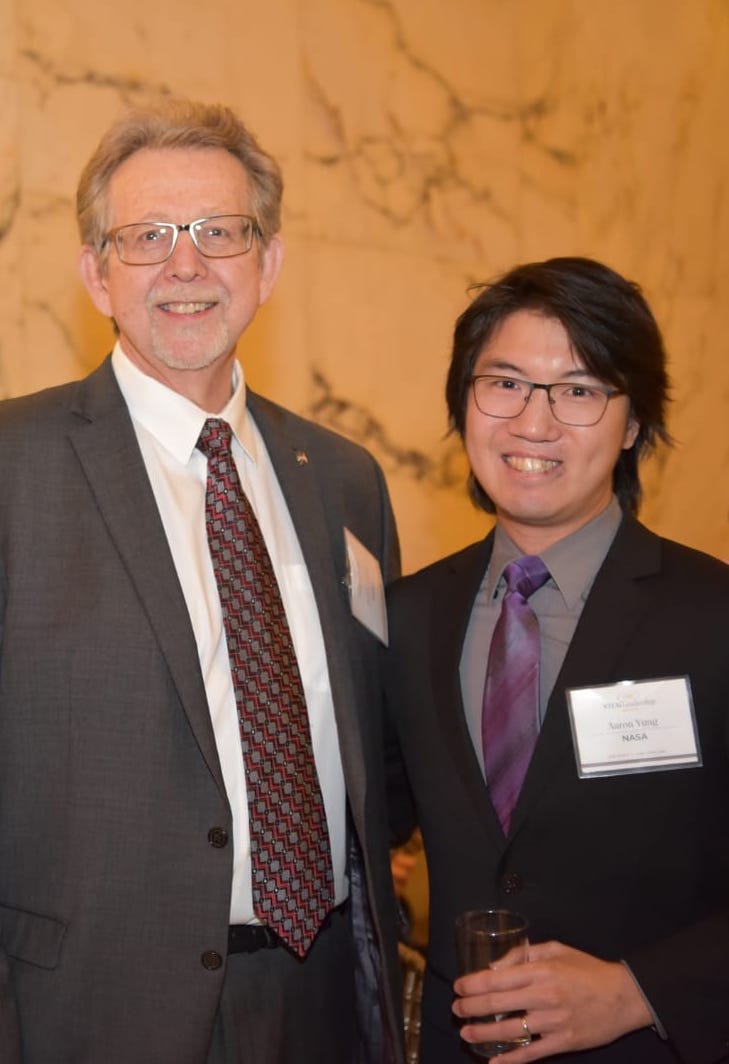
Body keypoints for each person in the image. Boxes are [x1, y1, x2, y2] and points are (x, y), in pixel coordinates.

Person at [0, 98, 405, 1064]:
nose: (186, 265)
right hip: (90, 1013)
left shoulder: (345, 477)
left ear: (267, 265)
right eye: (146, 238)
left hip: (325, 1005)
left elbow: (378, 740)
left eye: (219, 233)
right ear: (96, 275)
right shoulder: (13, 466)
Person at [384, 256, 729, 1063]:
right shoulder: (405, 619)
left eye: (577, 390)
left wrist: (640, 988)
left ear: (634, 420)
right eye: (502, 384)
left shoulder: (710, 615)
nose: (532, 424)